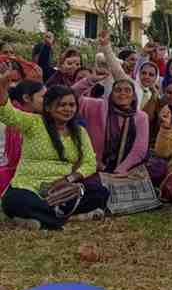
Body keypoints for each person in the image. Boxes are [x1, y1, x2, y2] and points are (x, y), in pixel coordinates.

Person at [0, 79, 106, 230]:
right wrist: (2, 89)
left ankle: (39, 219)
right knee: (15, 201)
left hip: (62, 191)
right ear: (48, 107)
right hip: (29, 186)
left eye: (71, 105)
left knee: (100, 193)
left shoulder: (80, 132)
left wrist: (68, 179)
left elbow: (90, 162)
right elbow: (7, 115)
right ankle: (67, 217)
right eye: (62, 105)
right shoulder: (34, 123)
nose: (67, 109)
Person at [0, 81, 45, 194]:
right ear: (26, 98)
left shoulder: (39, 119)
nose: (48, 100)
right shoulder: (11, 119)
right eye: (43, 97)